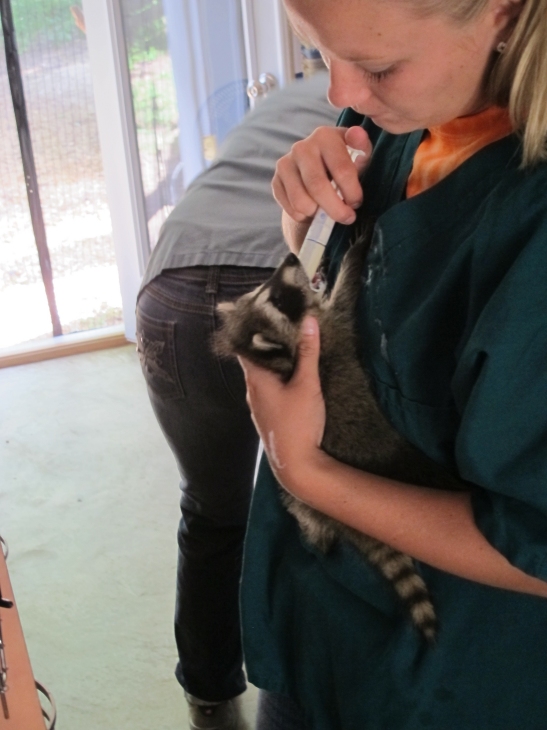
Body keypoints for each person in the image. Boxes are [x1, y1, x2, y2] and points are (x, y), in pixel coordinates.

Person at [237, 0, 547, 728]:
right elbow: (369, 289)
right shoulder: (408, 123)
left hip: (448, 677)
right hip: (324, 624)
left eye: (376, 66)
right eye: (316, 53)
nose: (338, 95)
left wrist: (305, 471)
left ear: (499, 13)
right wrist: (307, 218)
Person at [135, 72, 339, 730]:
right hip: (275, 279)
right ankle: (311, 693)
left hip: (172, 284)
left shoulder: (289, 97)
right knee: (322, 508)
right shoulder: (397, 92)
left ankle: (208, 697)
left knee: (212, 510)